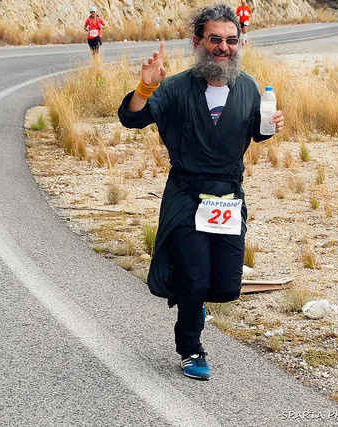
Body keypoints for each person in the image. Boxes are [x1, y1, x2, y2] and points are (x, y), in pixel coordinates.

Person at [118, 3, 284, 381]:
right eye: (215, 39)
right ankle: (190, 347)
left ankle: (194, 302)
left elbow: (255, 132)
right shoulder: (175, 87)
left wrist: (272, 124)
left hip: (228, 195)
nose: (224, 47)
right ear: (197, 42)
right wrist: (145, 87)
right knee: (194, 278)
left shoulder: (248, 87)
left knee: (225, 284)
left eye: (231, 40)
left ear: (239, 43)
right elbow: (132, 117)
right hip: (187, 193)